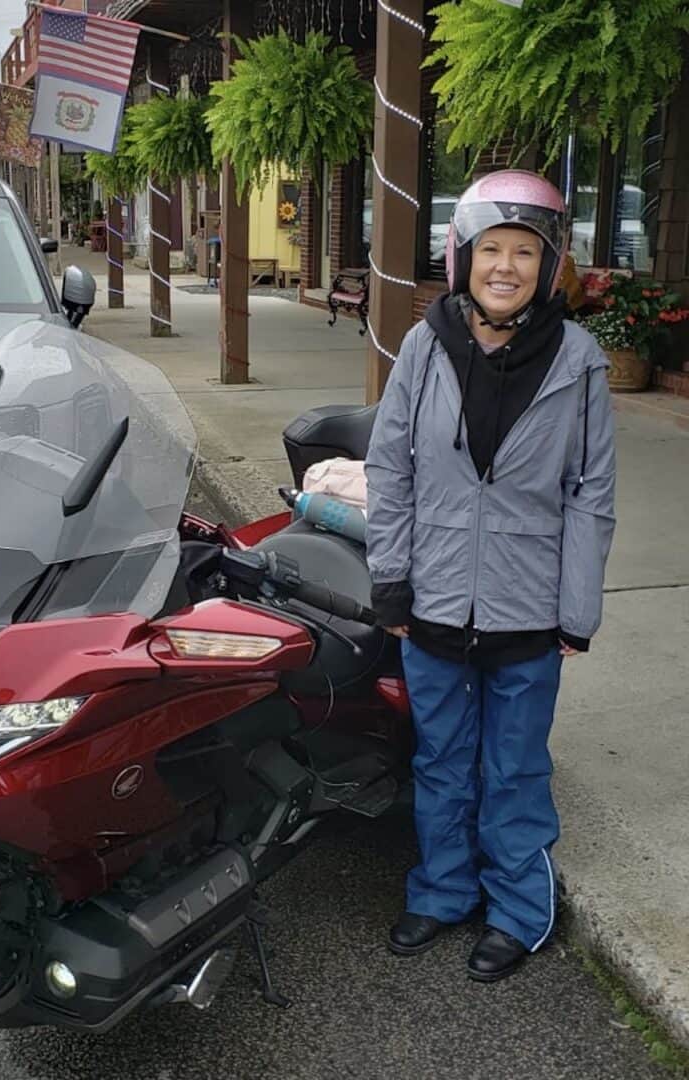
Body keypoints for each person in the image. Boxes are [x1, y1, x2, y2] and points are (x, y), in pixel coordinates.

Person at [364, 170, 616, 982]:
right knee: (440, 761)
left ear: (548, 267)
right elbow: (391, 467)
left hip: (527, 609)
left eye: (525, 252)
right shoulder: (424, 345)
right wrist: (391, 583)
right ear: (462, 256)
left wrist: (576, 610)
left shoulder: (579, 362)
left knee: (513, 768)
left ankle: (517, 910)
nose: (505, 266)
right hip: (434, 598)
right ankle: (441, 891)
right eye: (491, 250)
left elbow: (591, 493)